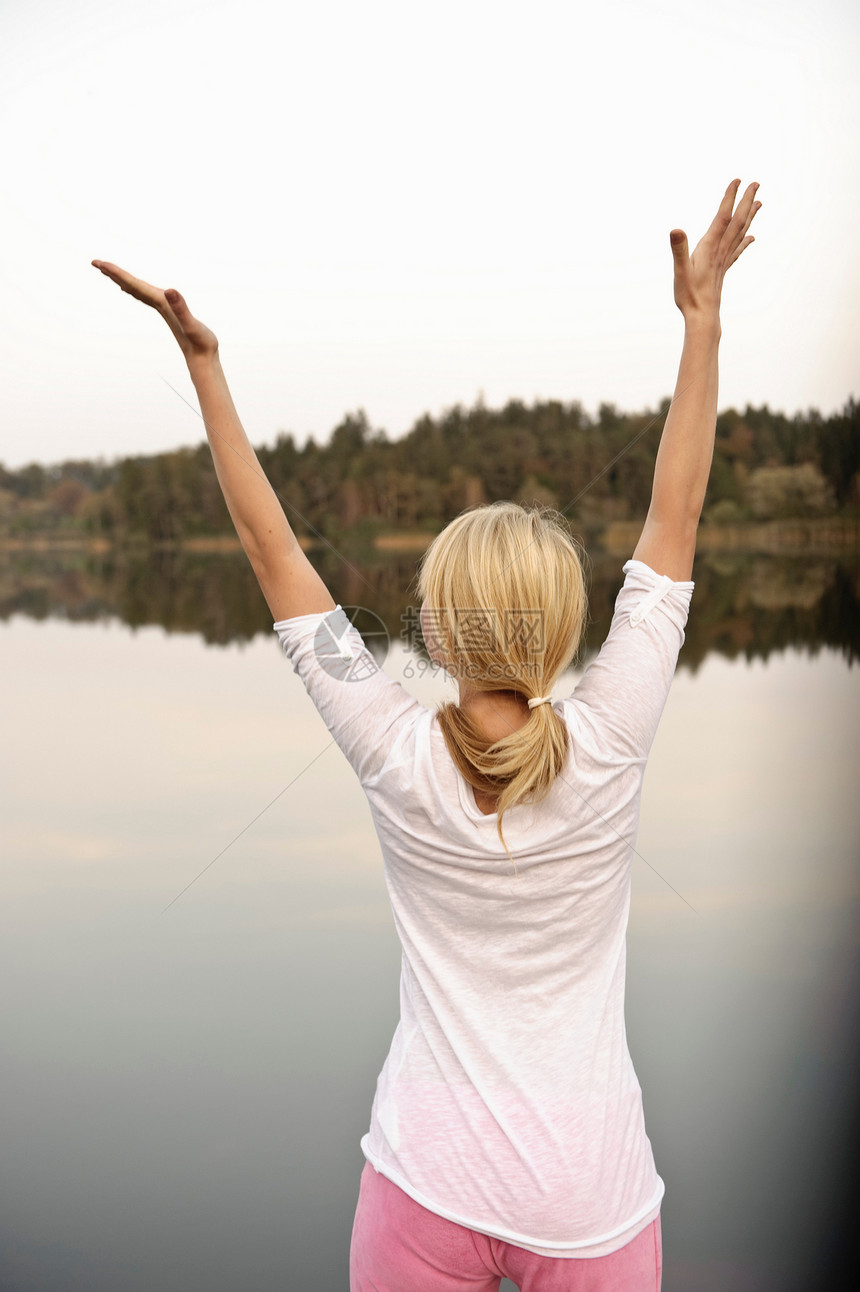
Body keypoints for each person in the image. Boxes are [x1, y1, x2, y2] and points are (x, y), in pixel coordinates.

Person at [93, 178, 760, 1291]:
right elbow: (674, 519)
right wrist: (702, 325)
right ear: (562, 629)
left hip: (423, 1190)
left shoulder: (392, 751)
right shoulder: (612, 736)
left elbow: (276, 561)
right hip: (589, 1204)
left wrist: (205, 368)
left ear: (437, 626)